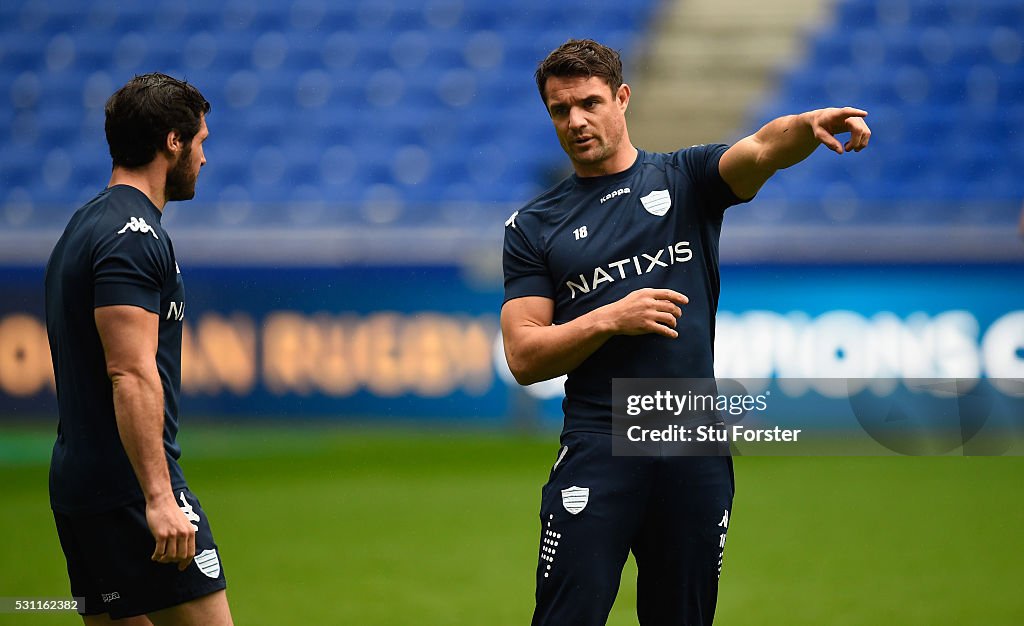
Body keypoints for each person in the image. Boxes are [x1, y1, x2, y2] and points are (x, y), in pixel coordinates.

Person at [501, 39, 871, 625]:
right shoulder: (533, 227)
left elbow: (759, 150)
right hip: (600, 440)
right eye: (559, 110)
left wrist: (805, 125)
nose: (576, 121)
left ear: (622, 98)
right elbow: (523, 356)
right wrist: (608, 317)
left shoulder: (685, 179)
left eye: (590, 103)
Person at [44, 73, 233, 625]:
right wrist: (158, 496)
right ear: (171, 142)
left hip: (80, 483)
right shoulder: (133, 236)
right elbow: (129, 371)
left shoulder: (84, 225)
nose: (204, 158)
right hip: (130, 484)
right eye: (199, 142)